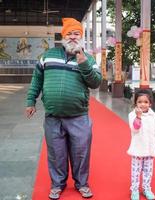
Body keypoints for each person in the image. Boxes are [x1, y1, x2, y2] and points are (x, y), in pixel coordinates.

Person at [25, 17, 102, 199]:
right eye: (70, 33)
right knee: (56, 154)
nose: (73, 37)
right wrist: (30, 101)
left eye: (77, 33)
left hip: (79, 117)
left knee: (81, 153)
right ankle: (57, 184)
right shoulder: (48, 55)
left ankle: (82, 184)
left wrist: (83, 62)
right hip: (53, 117)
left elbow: (96, 83)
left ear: (81, 37)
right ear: (63, 35)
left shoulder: (89, 59)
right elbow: (37, 79)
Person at [127, 89, 155, 200]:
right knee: (136, 171)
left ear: (150, 103)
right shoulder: (132, 115)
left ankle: (147, 188)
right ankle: (134, 190)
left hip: (149, 150)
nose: (143, 104)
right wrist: (138, 117)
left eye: (146, 102)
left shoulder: (154, 116)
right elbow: (134, 129)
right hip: (137, 150)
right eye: (140, 102)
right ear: (135, 103)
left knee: (148, 171)